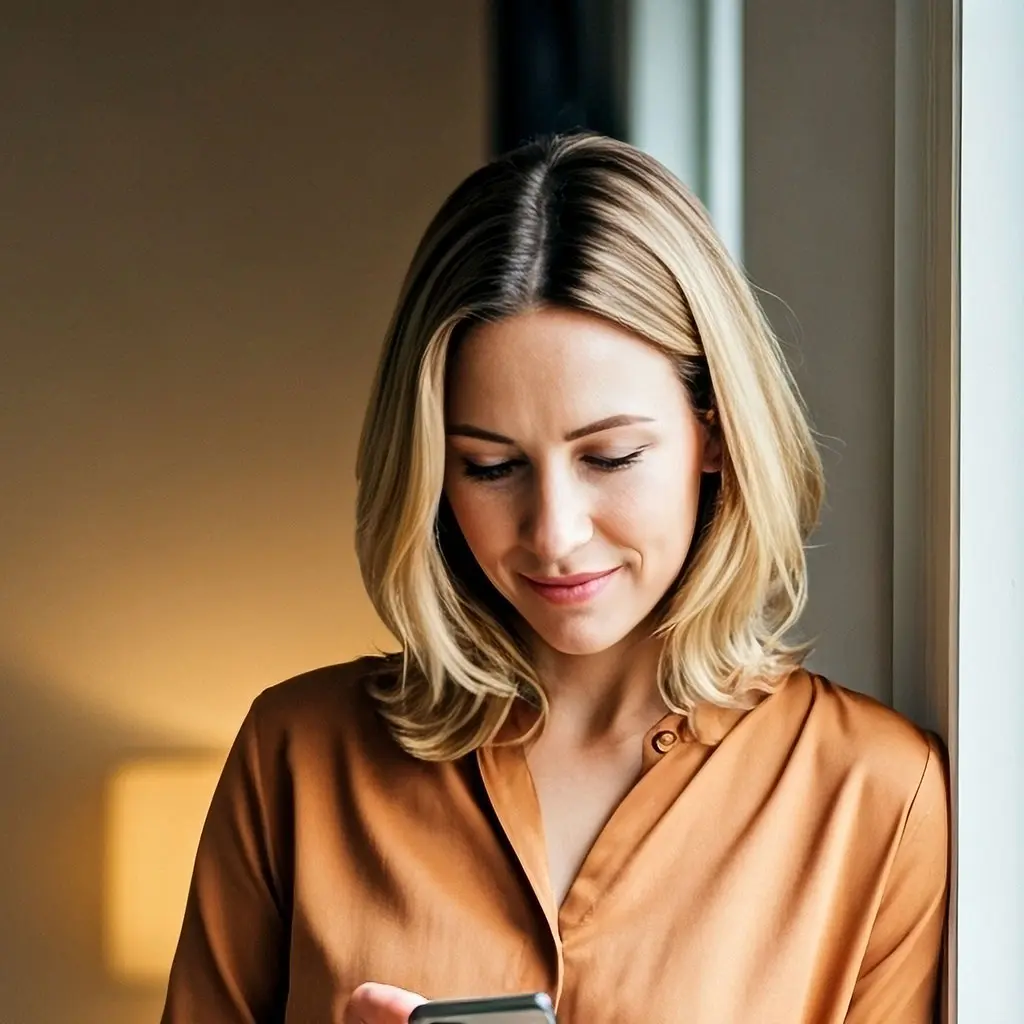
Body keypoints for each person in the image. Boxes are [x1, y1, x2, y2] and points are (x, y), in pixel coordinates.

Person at [161, 133, 948, 1024]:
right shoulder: (297, 757)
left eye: (610, 456)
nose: (555, 534)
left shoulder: (874, 793)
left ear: (717, 432)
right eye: (491, 468)